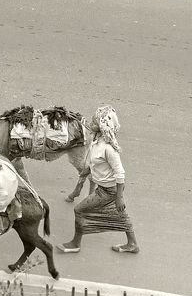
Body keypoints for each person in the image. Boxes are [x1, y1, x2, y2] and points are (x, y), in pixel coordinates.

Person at [56, 105, 139, 254]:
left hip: (109, 190)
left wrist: (119, 197)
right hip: (106, 188)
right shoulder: (96, 141)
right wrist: (86, 171)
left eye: (95, 121)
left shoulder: (108, 148)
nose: (92, 123)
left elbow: (120, 173)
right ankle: (133, 244)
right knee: (120, 214)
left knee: (79, 210)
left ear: (102, 126)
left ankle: (75, 243)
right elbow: (94, 161)